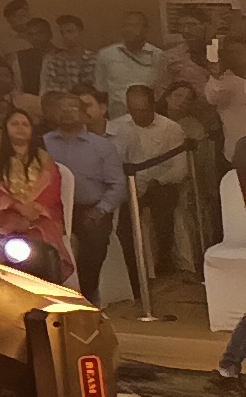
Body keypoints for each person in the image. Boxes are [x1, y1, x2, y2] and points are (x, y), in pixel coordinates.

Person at [49, 90, 127, 304]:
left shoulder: (102, 146)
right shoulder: (42, 144)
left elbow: (118, 185)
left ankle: (86, 297)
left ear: (85, 115)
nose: (67, 112)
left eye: (73, 108)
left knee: (93, 247)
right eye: (61, 108)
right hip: (51, 210)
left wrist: (101, 210)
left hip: (91, 210)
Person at [124, 84, 195, 307]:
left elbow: (180, 170)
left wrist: (154, 182)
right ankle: (134, 272)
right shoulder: (118, 127)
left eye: (143, 110)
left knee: (163, 205)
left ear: (153, 105)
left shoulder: (171, 129)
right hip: (128, 184)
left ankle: (164, 260)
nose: (138, 115)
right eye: (133, 110)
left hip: (162, 184)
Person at [0, 100, 72, 267]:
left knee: (40, 243)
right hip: (5, 216)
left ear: (31, 130)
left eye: (25, 124)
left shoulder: (45, 160)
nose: (20, 127)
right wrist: (18, 208)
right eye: (14, 124)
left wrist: (34, 210)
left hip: (41, 216)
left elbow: (52, 190)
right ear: (5, 129)